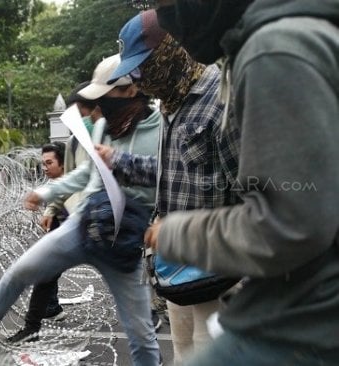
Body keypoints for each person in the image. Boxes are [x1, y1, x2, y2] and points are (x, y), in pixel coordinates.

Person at [144, 1, 339, 365]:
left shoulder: (272, 51)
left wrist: (176, 234)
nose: (168, 18)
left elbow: (288, 219)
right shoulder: (274, 41)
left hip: (309, 306)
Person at [0, 55, 162, 366]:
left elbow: (169, 175)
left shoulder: (161, 130)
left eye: (105, 96)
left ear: (131, 90)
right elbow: (87, 173)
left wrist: (121, 163)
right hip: (83, 223)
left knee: (141, 334)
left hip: (124, 238)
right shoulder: (104, 127)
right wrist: (45, 192)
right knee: (19, 272)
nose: (100, 105)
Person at [98, 10, 241, 364]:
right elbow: (173, 173)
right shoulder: (171, 103)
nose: (138, 81)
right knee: (182, 356)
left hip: (219, 275)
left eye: (140, 68)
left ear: (170, 51)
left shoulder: (221, 101)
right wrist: (118, 162)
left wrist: (180, 228)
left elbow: (256, 196)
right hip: (178, 274)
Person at [6, 142, 68, 344]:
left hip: (88, 235)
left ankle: (148, 315)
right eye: (43, 163)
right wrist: (49, 211)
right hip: (65, 233)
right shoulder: (55, 183)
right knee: (45, 277)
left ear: (64, 163)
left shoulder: (76, 181)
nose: (45, 167)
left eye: (49, 163)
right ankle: (38, 322)